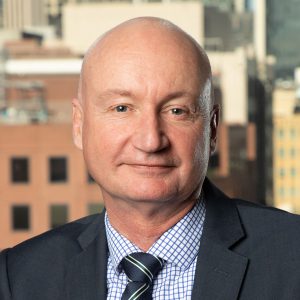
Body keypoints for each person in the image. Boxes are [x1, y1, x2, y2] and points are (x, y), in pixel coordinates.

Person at [1, 17, 300, 300]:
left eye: (176, 111)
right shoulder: (19, 278)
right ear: (79, 125)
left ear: (211, 129)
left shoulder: (292, 257)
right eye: (122, 108)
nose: (150, 140)